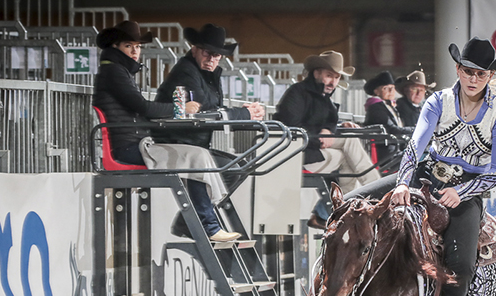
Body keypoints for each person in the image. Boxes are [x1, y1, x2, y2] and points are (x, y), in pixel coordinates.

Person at [346, 37, 496, 296]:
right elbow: (415, 146)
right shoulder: (438, 101)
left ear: (489, 76)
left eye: (480, 74)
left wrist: (463, 191)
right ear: (458, 69)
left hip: (465, 192)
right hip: (426, 176)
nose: (472, 79)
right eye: (468, 71)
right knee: (351, 206)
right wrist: (404, 182)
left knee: (462, 265)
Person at [92, 20, 240, 242]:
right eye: (128, 46)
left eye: (138, 46)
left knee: (201, 157)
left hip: (136, 142)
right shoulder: (114, 72)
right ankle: (207, 225)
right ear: (115, 47)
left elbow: (141, 108)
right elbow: (143, 107)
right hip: (126, 147)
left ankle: (201, 222)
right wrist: (181, 109)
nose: (135, 51)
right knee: (197, 155)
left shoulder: (118, 71)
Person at [273, 50, 381, 229]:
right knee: (349, 141)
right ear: (316, 73)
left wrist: (332, 129)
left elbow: (330, 121)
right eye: (329, 76)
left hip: (311, 149)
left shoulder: (325, 99)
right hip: (295, 154)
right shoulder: (297, 93)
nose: (333, 82)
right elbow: (291, 126)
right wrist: (320, 136)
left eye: (337, 77)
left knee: (347, 151)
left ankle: (345, 210)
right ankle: (378, 192)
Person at [155, 23, 264, 149]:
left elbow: (214, 109)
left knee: (236, 165)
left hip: (188, 145)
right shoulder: (186, 72)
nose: (211, 59)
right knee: (233, 166)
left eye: (216, 55)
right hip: (176, 145)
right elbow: (204, 111)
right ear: (194, 50)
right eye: (207, 53)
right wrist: (245, 114)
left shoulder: (205, 74)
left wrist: (244, 112)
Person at [363, 70, 414, 164]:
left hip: (394, 149)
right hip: (387, 153)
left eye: (393, 88)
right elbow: (393, 129)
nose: (391, 91)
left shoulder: (390, 106)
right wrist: (415, 130)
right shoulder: (376, 108)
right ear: (376, 91)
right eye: (386, 88)